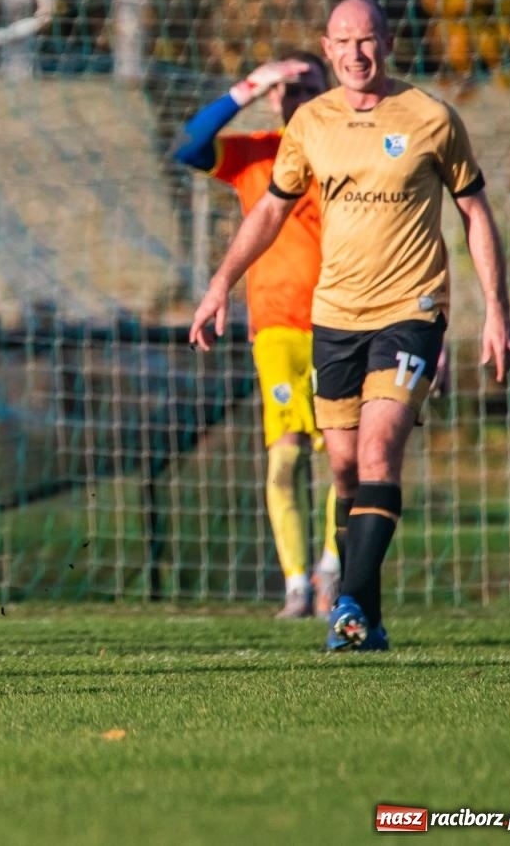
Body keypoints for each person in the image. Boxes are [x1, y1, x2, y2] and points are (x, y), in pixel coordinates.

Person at [189, 0, 510, 652]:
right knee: (342, 471)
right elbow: (269, 211)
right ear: (328, 45)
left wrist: (496, 309)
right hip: (333, 317)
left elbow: (475, 211)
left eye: (367, 40)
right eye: (343, 42)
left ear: (387, 42)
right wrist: (220, 283)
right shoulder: (310, 122)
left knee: (377, 453)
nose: (356, 53)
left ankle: (343, 603)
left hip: (411, 311)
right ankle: (364, 619)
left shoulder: (430, 117)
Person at [175, 52, 341, 618]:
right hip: (275, 330)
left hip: (341, 325)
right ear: (273, 96)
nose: (296, 98)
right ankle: (297, 583)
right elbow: (189, 146)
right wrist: (245, 88)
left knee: (345, 459)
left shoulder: (345, 148)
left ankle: (333, 570)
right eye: (287, 89)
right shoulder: (257, 153)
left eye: (308, 87)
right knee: (285, 461)